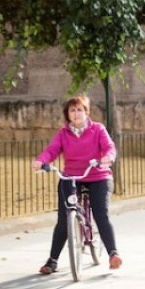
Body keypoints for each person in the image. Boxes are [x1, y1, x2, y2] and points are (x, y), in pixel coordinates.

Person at [32, 95, 122, 274]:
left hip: (98, 176)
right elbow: (52, 150)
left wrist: (108, 158)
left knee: (100, 214)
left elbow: (109, 147)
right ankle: (52, 261)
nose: (76, 113)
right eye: (72, 110)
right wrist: (40, 161)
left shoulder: (98, 129)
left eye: (80, 109)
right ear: (68, 114)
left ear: (86, 112)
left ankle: (113, 254)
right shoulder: (63, 133)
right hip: (71, 177)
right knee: (64, 219)